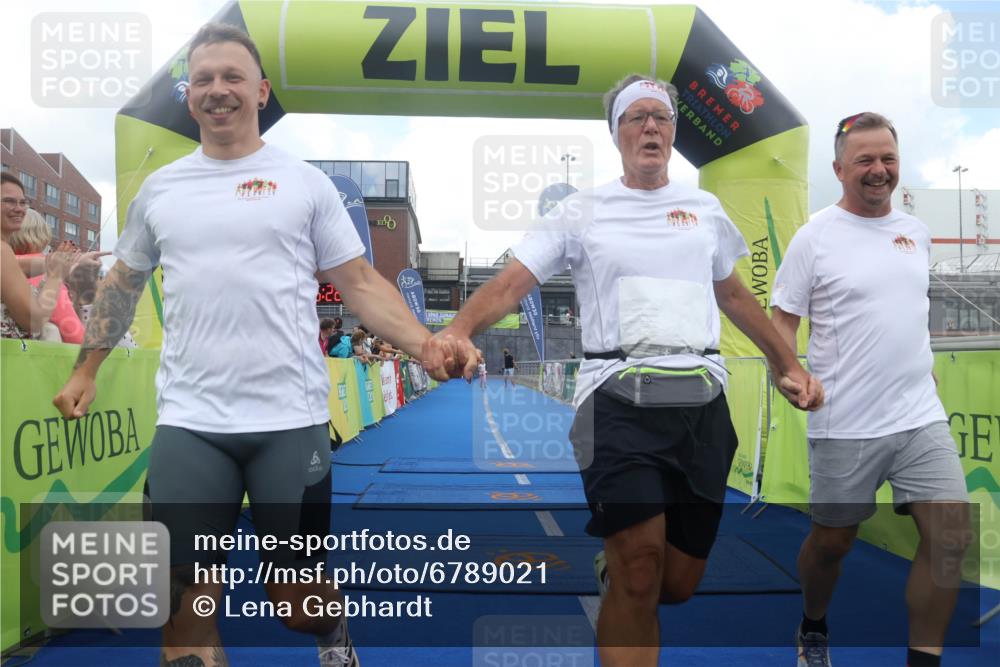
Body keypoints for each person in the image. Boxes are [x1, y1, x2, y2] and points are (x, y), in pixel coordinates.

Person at [51, 22, 470, 667]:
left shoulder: (305, 184)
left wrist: (425, 344)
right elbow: (122, 284)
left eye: (232, 77)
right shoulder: (160, 189)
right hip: (191, 423)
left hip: (289, 425)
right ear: (188, 96)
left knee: (296, 601)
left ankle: (332, 633)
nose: (217, 89)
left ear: (261, 92)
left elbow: (360, 283)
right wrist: (86, 370)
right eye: (203, 79)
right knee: (184, 605)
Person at [426, 74, 822, 667]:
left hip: (701, 403)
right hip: (615, 399)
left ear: (673, 131)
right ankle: (623, 574)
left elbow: (736, 296)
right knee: (641, 569)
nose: (650, 127)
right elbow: (510, 285)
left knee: (676, 583)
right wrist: (458, 329)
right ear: (616, 134)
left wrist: (787, 363)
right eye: (636, 117)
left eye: (661, 117)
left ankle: (613, 574)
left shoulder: (704, 209)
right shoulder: (581, 212)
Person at [770, 112, 970, 667]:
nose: (879, 170)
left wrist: (919, 361)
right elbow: (782, 323)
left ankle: (923, 659)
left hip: (919, 416)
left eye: (888, 158)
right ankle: (813, 624)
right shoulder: (815, 237)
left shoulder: (916, 233)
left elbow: (905, 309)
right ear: (839, 169)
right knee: (832, 545)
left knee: (952, 537)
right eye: (864, 160)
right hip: (845, 422)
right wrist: (786, 373)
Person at [1, 173, 75, 339]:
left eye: (23, 202)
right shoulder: (2, 251)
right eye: (9, 201)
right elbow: (33, 321)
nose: (19, 209)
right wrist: (56, 276)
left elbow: (18, 267)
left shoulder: (6, 253)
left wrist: (62, 262)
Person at [8, 208, 87, 343]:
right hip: (31, 353)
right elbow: (72, 330)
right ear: (41, 235)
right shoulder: (48, 274)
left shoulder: (7, 265)